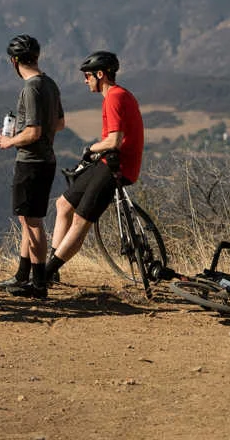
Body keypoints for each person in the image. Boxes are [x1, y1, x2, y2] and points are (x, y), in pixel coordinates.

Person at [13, 50, 143, 296]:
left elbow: (114, 140)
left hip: (117, 168)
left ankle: (45, 276)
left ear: (100, 74)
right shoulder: (118, 95)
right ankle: (52, 271)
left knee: (81, 222)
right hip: (107, 163)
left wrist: (91, 148)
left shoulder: (114, 97)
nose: (85, 80)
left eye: (88, 76)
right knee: (63, 204)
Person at [0, 34, 64, 300]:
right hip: (46, 160)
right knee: (28, 218)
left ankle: (38, 283)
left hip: (31, 162)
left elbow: (33, 132)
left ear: (14, 61)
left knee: (33, 223)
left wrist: (10, 141)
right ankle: (22, 276)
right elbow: (59, 124)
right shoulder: (50, 84)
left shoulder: (31, 88)